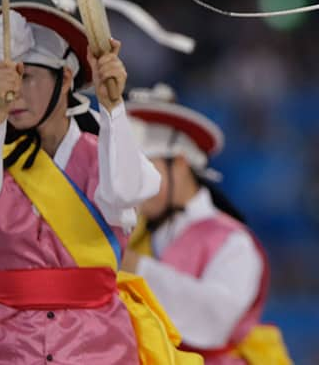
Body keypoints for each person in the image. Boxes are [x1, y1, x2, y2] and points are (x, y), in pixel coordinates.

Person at [0, 2, 199, 364]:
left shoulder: (106, 155)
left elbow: (126, 192)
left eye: (28, 76)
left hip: (98, 347)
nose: (14, 92)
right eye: (7, 79)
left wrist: (113, 108)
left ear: (65, 79)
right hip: (12, 348)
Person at [121, 85, 291, 365]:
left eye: (144, 170)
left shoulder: (232, 241)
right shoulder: (135, 233)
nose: (135, 186)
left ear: (179, 163)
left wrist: (137, 268)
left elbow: (217, 319)